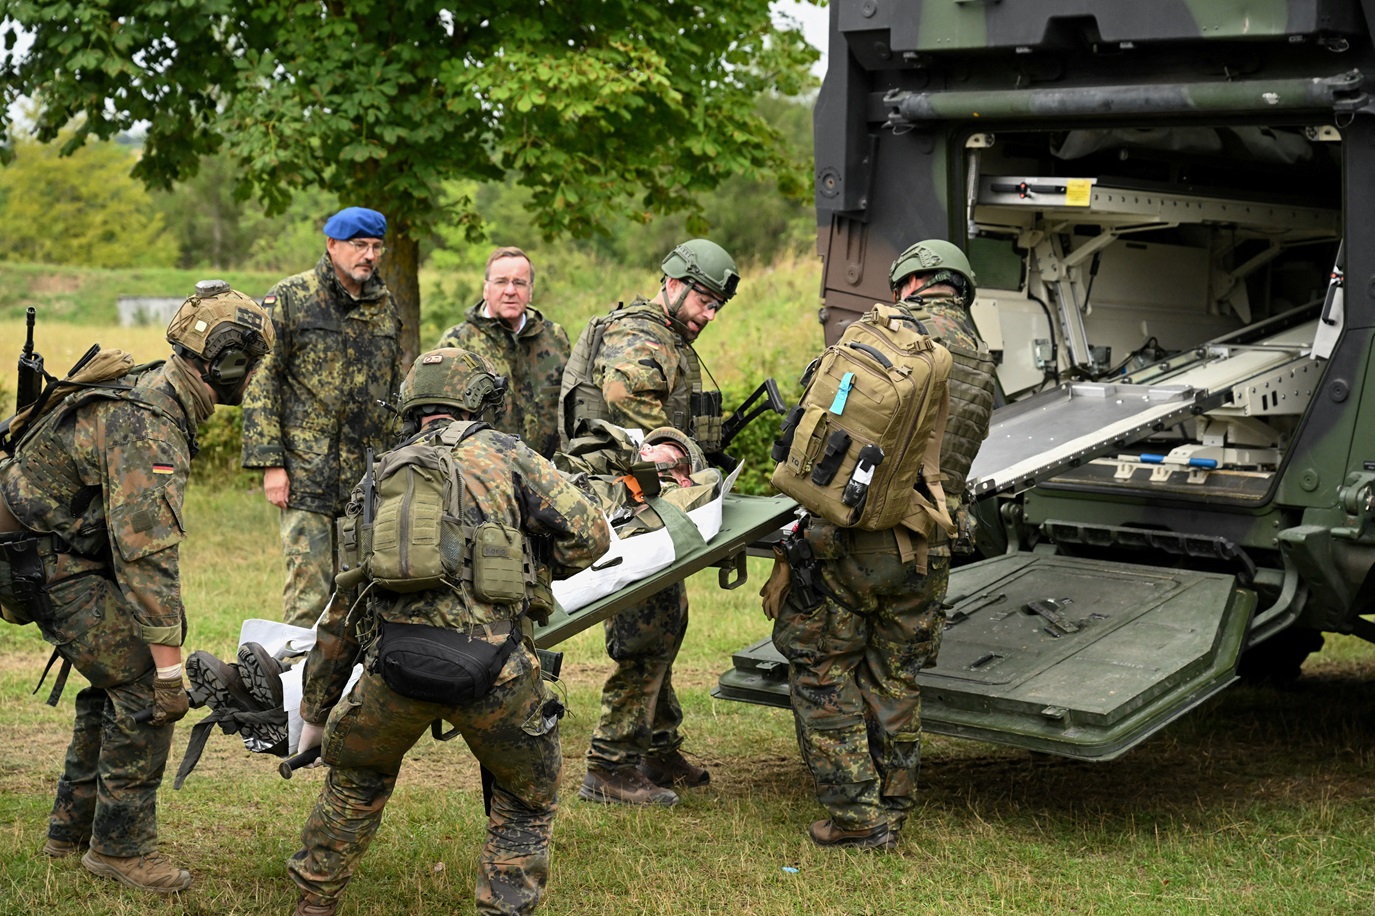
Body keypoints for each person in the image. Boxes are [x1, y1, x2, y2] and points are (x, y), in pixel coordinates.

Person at [288, 347, 610, 916]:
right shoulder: (505, 453)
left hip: (393, 671)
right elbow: (591, 536)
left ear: (413, 405)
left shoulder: (380, 473)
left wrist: (316, 713)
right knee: (526, 798)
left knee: (355, 783)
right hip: (497, 672)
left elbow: (345, 606)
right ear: (480, 400)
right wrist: (530, 560)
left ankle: (314, 902)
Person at [0, 281, 273, 891]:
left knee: (121, 670)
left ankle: (71, 830)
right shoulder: (150, 427)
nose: (255, 376)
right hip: (37, 557)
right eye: (251, 362)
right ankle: (121, 850)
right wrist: (170, 675)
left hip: (41, 546)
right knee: (146, 684)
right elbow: (147, 557)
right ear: (226, 363)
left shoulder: (156, 389)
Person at [770, 239, 997, 849]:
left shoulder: (883, 332)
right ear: (960, 288)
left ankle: (855, 816)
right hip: (928, 544)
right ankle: (892, 811)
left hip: (852, 538)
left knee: (823, 669)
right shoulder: (980, 358)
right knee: (896, 676)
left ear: (910, 282)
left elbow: (814, 414)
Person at [558, 239, 740, 806]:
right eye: (704, 301)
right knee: (647, 632)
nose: (708, 315)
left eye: (716, 306)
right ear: (674, 284)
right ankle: (610, 765)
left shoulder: (660, 333)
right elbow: (622, 395)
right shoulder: (642, 335)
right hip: (630, 505)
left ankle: (657, 746)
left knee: (666, 620)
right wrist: (677, 449)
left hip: (641, 501)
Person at [241, 206, 403, 628]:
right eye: (359, 245)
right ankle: (295, 671)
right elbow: (262, 379)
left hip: (366, 480)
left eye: (376, 247)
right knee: (309, 596)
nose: (369, 255)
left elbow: (394, 389)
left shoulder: (385, 306)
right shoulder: (291, 297)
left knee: (363, 596)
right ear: (332, 245)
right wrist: (271, 463)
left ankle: (354, 674)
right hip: (306, 474)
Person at [436, 247, 570, 458]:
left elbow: (571, 408)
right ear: (486, 289)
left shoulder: (554, 338)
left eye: (519, 283)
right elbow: (439, 422)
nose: (510, 291)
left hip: (549, 469)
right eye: (501, 282)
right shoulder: (457, 343)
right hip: (481, 470)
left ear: (530, 290)